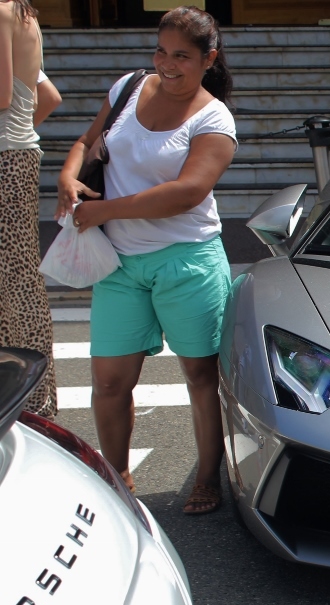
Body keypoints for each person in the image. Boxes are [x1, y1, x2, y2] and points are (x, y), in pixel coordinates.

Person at [55, 6, 237, 514]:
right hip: (118, 262)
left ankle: (206, 478)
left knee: (201, 376)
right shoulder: (130, 87)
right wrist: (69, 177)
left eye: (182, 55)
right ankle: (117, 478)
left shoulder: (213, 117)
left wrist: (103, 210)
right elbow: (88, 142)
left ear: (208, 59)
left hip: (187, 261)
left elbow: (187, 192)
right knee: (109, 383)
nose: (168, 64)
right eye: (161, 51)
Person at [0, 0, 56, 417]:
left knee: (10, 284)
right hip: (16, 155)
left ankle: (16, 394)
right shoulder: (24, 16)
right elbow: (48, 96)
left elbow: (1, 93)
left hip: (4, 159)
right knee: (19, 282)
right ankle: (35, 395)